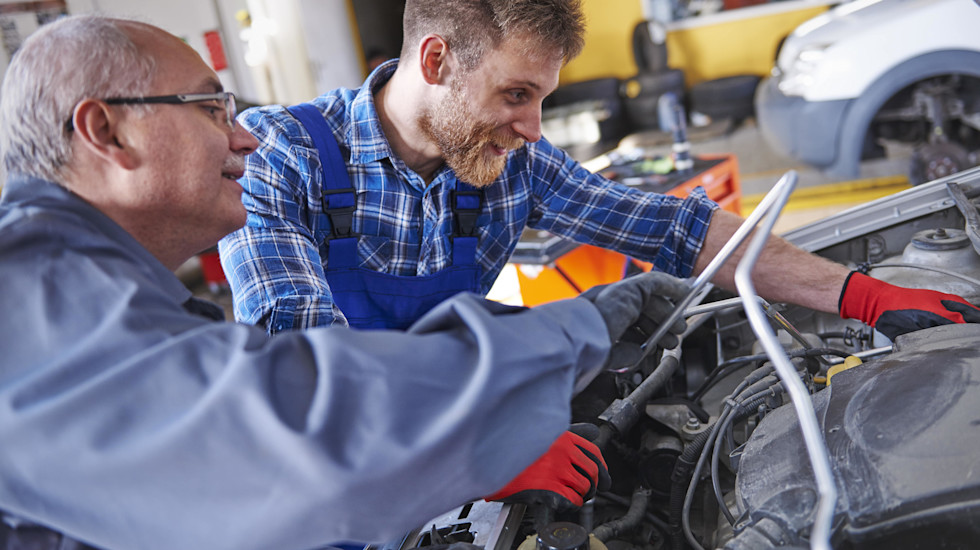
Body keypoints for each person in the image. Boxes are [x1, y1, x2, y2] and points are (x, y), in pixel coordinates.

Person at [0, 14, 691, 550]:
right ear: (107, 132)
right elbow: (300, 431)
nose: (243, 138)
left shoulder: (108, 294)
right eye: (212, 108)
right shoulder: (31, 303)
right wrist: (566, 340)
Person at [219, 0, 980, 341]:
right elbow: (299, 359)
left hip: (431, 432)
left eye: (542, 99)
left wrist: (861, 293)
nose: (532, 128)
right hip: (314, 489)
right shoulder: (273, 157)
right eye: (516, 95)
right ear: (437, 60)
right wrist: (464, 453)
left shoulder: (511, 163)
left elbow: (674, 229)